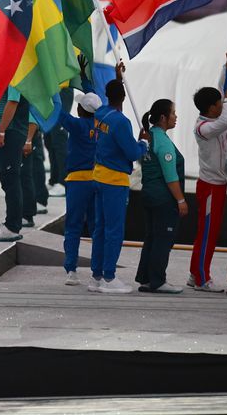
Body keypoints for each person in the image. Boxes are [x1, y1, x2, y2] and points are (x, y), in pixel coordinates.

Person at [89, 68, 147, 294]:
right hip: (115, 181)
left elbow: (112, 99)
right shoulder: (122, 122)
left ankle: (96, 276)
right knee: (114, 230)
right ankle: (109, 277)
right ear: (123, 98)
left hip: (98, 176)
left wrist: (118, 79)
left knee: (100, 228)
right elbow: (132, 153)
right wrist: (144, 144)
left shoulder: (100, 113)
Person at [188, 77, 227, 291]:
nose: (222, 106)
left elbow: (219, 91)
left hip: (219, 184)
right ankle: (201, 278)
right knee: (207, 233)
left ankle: (194, 273)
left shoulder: (213, 121)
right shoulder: (204, 128)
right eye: (219, 104)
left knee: (210, 232)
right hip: (209, 187)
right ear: (211, 108)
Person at [136, 99, 186, 294]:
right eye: (173, 113)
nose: (176, 117)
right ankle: (158, 280)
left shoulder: (148, 138)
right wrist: (181, 200)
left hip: (148, 195)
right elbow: (171, 176)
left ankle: (147, 278)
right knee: (163, 239)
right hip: (163, 199)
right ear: (163, 117)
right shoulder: (163, 141)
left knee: (152, 238)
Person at [0, 87, 37, 241]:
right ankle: (12, 223)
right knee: (9, 180)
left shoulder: (15, 77)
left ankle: (12, 226)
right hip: (10, 132)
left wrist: (1, 132)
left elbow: (13, 101)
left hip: (11, 132)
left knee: (11, 180)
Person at [59, 90, 100, 285]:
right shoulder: (103, 126)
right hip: (98, 181)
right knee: (96, 227)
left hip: (77, 182)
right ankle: (98, 272)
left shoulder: (76, 125)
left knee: (73, 227)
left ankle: (72, 271)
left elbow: (57, 111)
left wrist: (53, 89)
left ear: (79, 109)